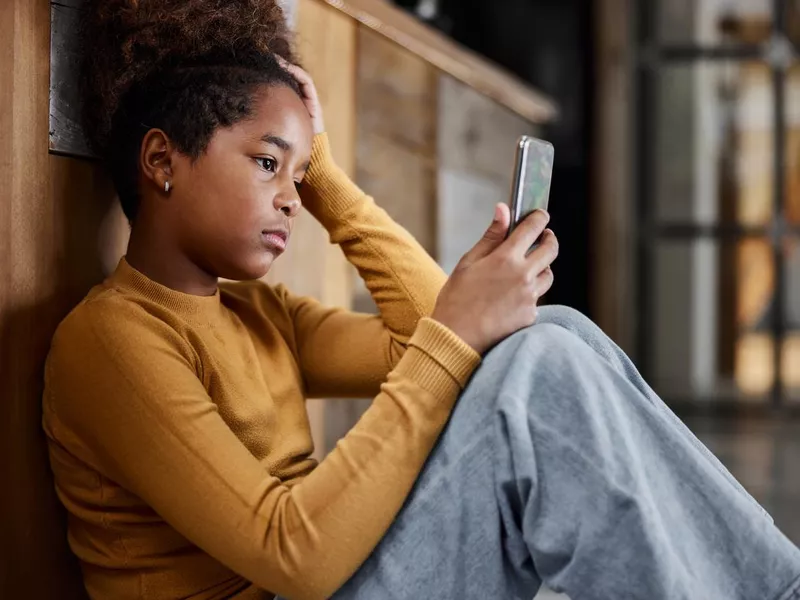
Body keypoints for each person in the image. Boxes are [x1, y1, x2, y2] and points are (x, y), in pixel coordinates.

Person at [42, 1, 800, 599]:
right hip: (300, 584)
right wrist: (457, 329)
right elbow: (292, 556)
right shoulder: (112, 338)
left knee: (545, 333)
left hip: (334, 580)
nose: (291, 199)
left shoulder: (259, 315)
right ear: (160, 161)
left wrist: (332, 183)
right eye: (269, 164)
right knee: (533, 371)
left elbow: (442, 338)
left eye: (300, 177)